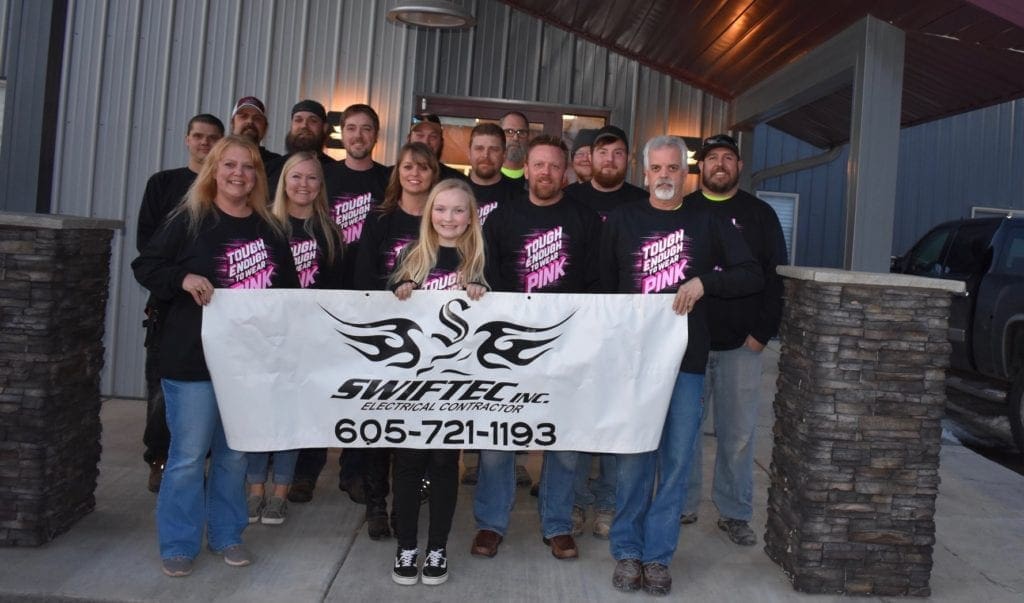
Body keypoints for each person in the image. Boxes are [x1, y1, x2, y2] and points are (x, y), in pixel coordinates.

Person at [601, 135, 762, 595]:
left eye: (674, 168)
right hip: (633, 363)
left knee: (675, 461)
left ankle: (657, 556)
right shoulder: (624, 219)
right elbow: (603, 289)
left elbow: (751, 272)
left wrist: (706, 282)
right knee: (633, 460)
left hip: (687, 363)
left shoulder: (708, 221)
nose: (665, 176)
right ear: (645, 172)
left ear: (684, 172)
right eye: (657, 169)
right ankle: (627, 552)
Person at [132, 136, 300, 577]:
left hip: (249, 367)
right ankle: (179, 542)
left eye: (247, 167)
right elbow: (145, 266)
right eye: (229, 165)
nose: (238, 173)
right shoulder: (189, 219)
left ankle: (227, 534)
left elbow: (290, 296)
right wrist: (183, 277)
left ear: (257, 177)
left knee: (234, 456)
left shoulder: (271, 228)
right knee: (187, 457)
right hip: (191, 361)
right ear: (214, 170)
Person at [472, 135, 601, 561]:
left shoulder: (584, 219)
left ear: (565, 172)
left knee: (562, 442)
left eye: (553, 166)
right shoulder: (501, 219)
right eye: (538, 165)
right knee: (497, 443)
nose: (545, 173)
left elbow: (597, 286)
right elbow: (485, 280)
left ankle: (558, 524)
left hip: (566, 348)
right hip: (509, 349)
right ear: (525, 169)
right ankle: (491, 523)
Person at [680, 134, 787, 546]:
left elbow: (777, 274)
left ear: (739, 166)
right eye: (712, 159)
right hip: (690, 342)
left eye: (728, 158)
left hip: (742, 344)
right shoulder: (684, 211)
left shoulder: (759, 214)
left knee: (738, 435)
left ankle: (734, 512)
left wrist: (763, 333)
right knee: (683, 433)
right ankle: (682, 505)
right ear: (700, 167)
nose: (720, 165)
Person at [387, 178, 487, 586]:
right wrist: (400, 287)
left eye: (458, 210)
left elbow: (502, 314)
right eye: (441, 209)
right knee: (408, 465)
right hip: (413, 384)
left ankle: (438, 547)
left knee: (446, 463)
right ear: (430, 213)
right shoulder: (413, 254)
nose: (449, 218)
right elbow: (383, 304)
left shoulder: (479, 257)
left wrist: (482, 289)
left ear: (471, 216)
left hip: (457, 385)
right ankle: (406, 546)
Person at [290, 103, 389, 506]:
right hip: (323, 296)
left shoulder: (389, 179)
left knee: (363, 389)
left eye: (366, 129)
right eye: (351, 128)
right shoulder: (324, 176)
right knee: (318, 386)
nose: (358, 136)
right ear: (341, 134)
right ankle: (306, 470)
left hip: (371, 300)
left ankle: (354, 471)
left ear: (376, 136)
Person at [245, 152, 345, 526]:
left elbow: (338, 289)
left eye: (312, 179)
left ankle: (280, 493)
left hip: (310, 339)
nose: (303, 185)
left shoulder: (329, 231)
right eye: (296, 177)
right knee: (261, 414)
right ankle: (255, 489)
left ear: (321, 186)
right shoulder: (262, 226)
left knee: (292, 416)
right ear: (283, 181)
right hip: (265, 337)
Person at [353, 142, 440, 539]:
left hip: (434, 343)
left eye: (423, 167)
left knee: (423, 424)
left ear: (433, 173)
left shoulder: (442, 220)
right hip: (387, 339)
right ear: (398, 172)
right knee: (383, 423)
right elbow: (363, 277)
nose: (415, 174)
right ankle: (376, 503)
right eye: (408, 167)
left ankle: (416, 489)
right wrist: (396, 289)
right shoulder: (380, 219)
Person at [136, 113, 224, 493]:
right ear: (187, 139)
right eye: (199, 136)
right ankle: (160, 457)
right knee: (162, 393)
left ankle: (198, 458)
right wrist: (181, 277)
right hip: (171, 308)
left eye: (212, 139)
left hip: (220, 314)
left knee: (212, 393)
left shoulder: (229, 195)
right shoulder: (164, 184)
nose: (204, 143)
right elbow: (147, 249)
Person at [563, 125, 647, 219]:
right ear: (591, 158)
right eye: (603, 152)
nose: (610, 159)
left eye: (618, 153)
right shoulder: (566, 198)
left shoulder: (644, 202)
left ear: (628, 159)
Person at [265, 99, 337, 190]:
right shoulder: (270, 169)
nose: (304, 125)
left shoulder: (335, 172)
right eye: (298, 120)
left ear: (324, 127)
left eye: (313, 121)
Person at [408, 113, 466, 181]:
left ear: (441, 142)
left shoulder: (455, 180)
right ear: (409, 139)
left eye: (433, 137)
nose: (426, 142)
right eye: (420, 135)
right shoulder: (393, 174)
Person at [230, 96, 280, 164]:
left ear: (265, 128)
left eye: (257, 118)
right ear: (232, 124)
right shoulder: (218, 158)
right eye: (243, 116)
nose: (250, 121)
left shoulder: (277, 164)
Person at [499, 111, 530, 184]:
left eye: (521, 132)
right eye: (509, 132)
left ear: (528, 137)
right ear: (499, 135)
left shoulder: (534, 179)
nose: (515, 138)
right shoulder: (488, 176)